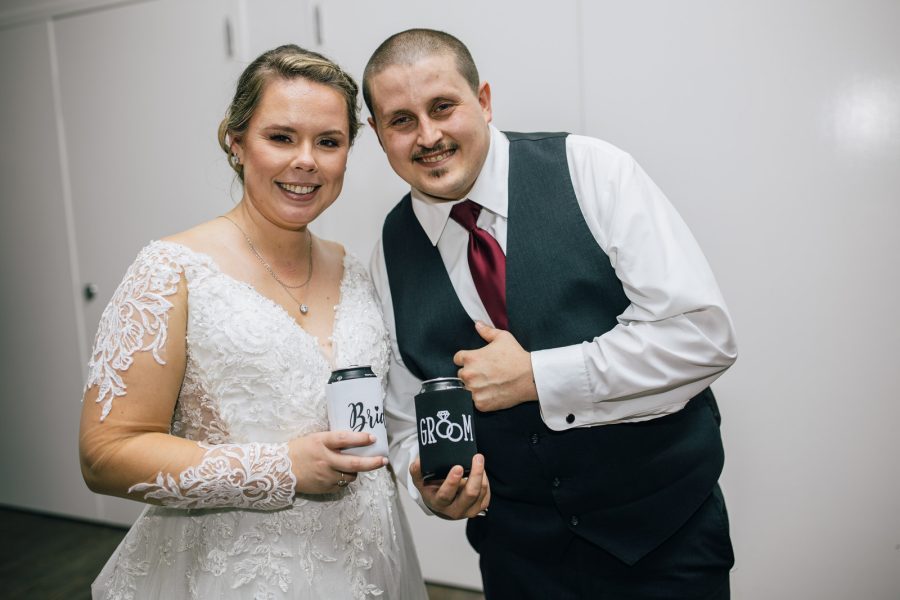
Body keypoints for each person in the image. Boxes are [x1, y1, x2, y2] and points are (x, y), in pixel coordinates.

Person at [364, 29, 738, 599]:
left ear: (483, 101)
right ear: (378, 134)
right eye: (402, 120)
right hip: (518, 559)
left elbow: (701, 335)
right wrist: (429, 486)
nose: (429, 136)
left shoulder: (592, 170)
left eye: (443, 107)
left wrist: (537, 377)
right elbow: (404, 418)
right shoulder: (389, 250)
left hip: (664, 538)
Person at [79, 44, 427, 600]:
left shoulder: (354, 268)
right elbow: (105, 454)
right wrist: (279, 468)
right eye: (281, 137)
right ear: (236, 143)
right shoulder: (171, 271)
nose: (306, 160)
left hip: (367, 559)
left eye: (329, 142)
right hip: (237, 571)